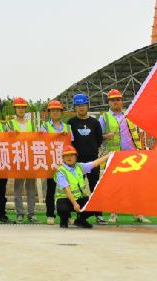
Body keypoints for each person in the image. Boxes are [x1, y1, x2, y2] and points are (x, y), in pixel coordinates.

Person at [99, 89, 150, 224]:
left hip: (132, 155)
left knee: (135, 186)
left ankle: (138, 213)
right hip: (113, 156)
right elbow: (97, 136)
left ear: (122, 101)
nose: (115, 102)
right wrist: (105, 136)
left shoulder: (129, 115)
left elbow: (137, 133)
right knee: (114, 186)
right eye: (112, 100)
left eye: (118, 99)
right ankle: (113, 214)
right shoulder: (104, 117)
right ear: (108, 102)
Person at [66, 93, 105, 223]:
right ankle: (77, 214)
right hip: (76, 162)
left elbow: (99, 139)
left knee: (95, 187)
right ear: (74, 107)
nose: (81, 108)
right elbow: (68, 141)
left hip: (92, 160)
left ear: (87, 106)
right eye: (78, 105)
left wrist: (92, 149)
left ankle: (98, 214)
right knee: (76, 188)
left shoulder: (94, 122)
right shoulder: (71, 123)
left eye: (83, 105)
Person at [54, 145, 112, 228]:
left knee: (94, 205)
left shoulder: (80, 167)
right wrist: (75, 204)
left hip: (80, 198)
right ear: (63, 159)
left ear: (76, 157)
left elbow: (95, 163)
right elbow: (66, 189)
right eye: (66, 155)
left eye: (71, 155)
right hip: (65, 199)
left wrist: (109, 155)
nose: (69, 157)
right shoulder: (61, 171)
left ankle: (80, 220)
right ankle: (64, 220)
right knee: (63, 209)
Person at [9, 97, 38, 223]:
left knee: (31, 188)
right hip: (17, 158)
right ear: (15, 109)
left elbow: (38, 138)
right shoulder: (10, 124)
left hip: (30, 158)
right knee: (18, 188)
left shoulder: (32, 123)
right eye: (18, 107)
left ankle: (31, 213)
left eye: (22, 107)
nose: (20, 109)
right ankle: (20, 213)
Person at [41, 100, 68, 225]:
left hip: (65, 163)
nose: (55, 112)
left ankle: (65, 216)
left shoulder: (68, 127)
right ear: (49, 113)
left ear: (61, 112)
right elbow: (40, 142)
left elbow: (70, 144)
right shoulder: (44, 126)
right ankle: (50, 214)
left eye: (58, 110)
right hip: (51, 162)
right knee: (50, 190)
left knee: (65, 189)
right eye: (53, 110)